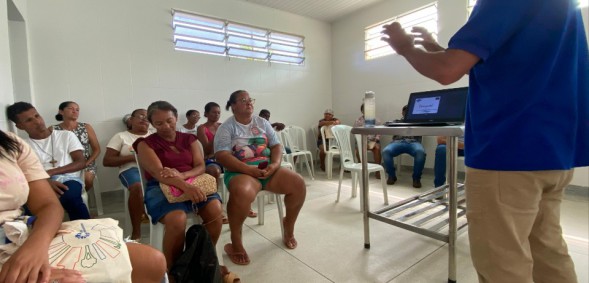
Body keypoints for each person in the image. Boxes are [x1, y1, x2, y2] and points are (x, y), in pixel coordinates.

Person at [381, 0, 588, 281]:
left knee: (502, 264)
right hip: (554, 151)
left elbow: (446, 70)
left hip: (508, 152)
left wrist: (405, 47)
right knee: (547, 251)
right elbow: (486, 64)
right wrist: (434, 47)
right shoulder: (561, 7)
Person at [0, 130, 167, 283]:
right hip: (124, 170)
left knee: (151, 261)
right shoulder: (122, 136)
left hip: (17, 230)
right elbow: (108, 159)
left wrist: (35, 248)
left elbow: (49, 204)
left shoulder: (11, 143)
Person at [132, 101, 229, 276]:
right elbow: (160, 173)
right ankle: (174, 270)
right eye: (159, 123)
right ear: (152, 124)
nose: (166, 126)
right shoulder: (145, 144)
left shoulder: (189, 139)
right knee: (177, 218)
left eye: (170, 120)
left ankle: (204, 258)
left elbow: (200, 166)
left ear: (176, 118)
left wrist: (183, 177)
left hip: (194, 181)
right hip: (161, 187)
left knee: (215, 211)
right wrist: (185, 186)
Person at [215, 90, 306, 265]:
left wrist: (275, 164)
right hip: (240, 171)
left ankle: (288, 224)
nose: (249, 103)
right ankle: (236, 241)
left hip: (267, 170)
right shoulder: (226, 127)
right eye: (243, 100)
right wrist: (249, 171)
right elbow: (222, 156)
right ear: (233, 106)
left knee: (298, 184)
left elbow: (276, 146)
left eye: (250, 100)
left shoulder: (262, 122)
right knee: (242, 192)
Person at [7, 102, 90, 220]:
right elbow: (22, 172)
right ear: (20, 126)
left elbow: (80, 162)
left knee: (70, 197)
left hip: (69, 178)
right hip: (39, 180)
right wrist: (45, 181)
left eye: (37, 116)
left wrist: (51, 172)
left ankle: (85, 233)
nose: (37, 122)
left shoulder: (66, 136)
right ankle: (47, 234)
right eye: (29, 120)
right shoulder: (23, 146)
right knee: (29, 207)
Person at [103, 109, 152, 240]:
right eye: (140, 116)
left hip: (152, 169)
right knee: (137, 187)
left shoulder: (154, 136)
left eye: (147, 117)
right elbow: (107, 161)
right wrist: (134, 158)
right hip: (131, 170)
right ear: (131, 120)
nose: (144, 119)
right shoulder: (121, 136)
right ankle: (136, 233)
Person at [52, 101, 101, 192]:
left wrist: (86, 163)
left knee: (87, 179)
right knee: (55, 180)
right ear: (61, 112)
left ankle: (80, 196)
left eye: (77, 109)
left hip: (86, 162)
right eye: (71, 109)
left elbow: (97, 149)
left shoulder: (86, 127)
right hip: (64, 164)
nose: (75, 111)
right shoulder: (53, 130)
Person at [381, 105, 426, 188]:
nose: (407, 113)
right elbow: (385, 124)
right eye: (405, 111)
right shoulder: (397, 121)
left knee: (420, 152)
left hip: (413, 142)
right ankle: (391, 176)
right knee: (386, 151)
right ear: (402, 112)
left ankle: (416, 178)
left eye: (409, 111)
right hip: (397, 142)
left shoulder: (419, 122)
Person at [353, 103, 382, 179]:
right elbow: (355, 132)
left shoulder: (376, 120)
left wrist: (375, 140)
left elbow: (379, 132)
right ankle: (361, 168)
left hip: (373, 141)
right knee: (358, 150)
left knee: (377, 149)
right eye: (364, 109)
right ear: (362, 111)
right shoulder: (358, 121)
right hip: (362, 140)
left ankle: (377, 171)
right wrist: (363, 141)